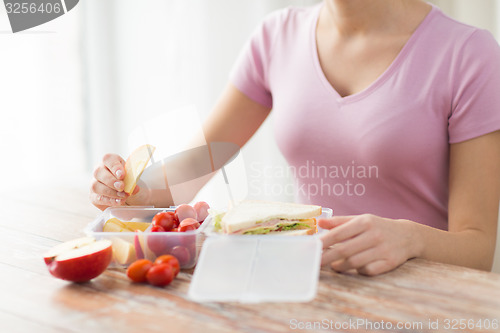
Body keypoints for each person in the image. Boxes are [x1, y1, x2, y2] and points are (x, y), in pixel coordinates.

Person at [90, 0, 500, 276]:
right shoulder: (276, 37)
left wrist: (411, 237)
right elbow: (195, 166)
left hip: (422, 301)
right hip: (304, 289)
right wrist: (137, 190)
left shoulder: (468, 54)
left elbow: (478, 250)